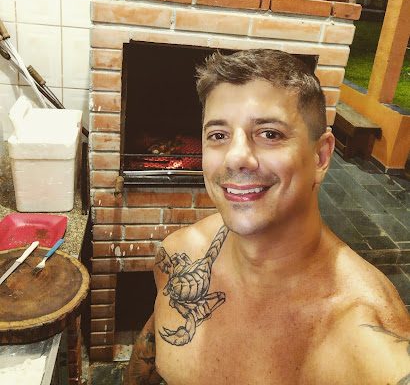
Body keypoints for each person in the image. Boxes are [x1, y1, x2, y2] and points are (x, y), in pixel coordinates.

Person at [124, 49, 410, 385]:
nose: (236, 157)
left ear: (320, 157)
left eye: (270, 134)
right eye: (218, 135)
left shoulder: (366, 338)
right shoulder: (178, 253)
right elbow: (153, 351)